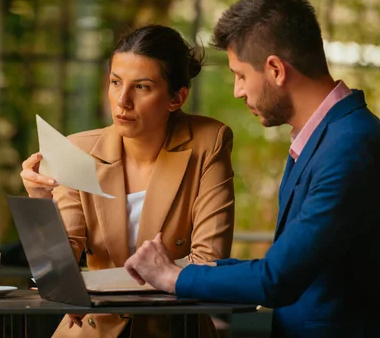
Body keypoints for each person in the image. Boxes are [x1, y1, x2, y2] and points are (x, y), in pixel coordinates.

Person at [124, 0, 380, 338]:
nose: (238, 91)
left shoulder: (350, 148)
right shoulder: (323, 138)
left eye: (240, 75)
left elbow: (277, 279)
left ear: (275, 70)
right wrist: (178, 268)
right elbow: (286, 266)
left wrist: (173, 277)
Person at [20, 24, 235, 338]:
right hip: (92, 327)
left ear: (176, 98)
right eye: (115, 82)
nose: (122, 100)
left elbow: (209, 262)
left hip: (175, 328)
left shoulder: (208, 142)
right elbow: (56, 275)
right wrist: (40, 203)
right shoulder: (78, 150)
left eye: (142, 87)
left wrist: (92, 284)